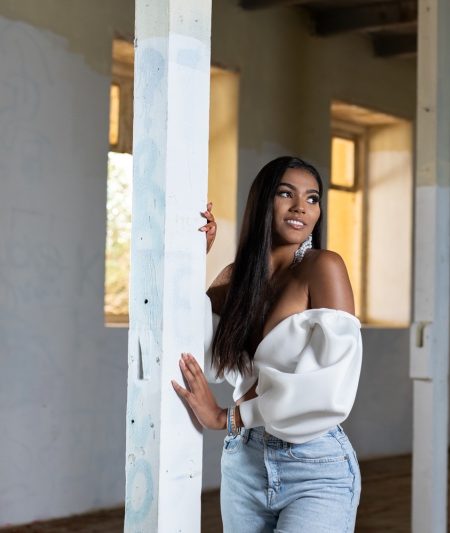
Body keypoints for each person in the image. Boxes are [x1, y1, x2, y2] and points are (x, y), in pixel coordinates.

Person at [171, 156, 362, 532]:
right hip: (244, 461)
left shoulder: (324, 268)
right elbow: (204, 356)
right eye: (285, 194)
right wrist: (196, 259)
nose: (300, 208)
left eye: (312, 198)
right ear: (263, 201)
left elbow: (330, 388)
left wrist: (226, 417)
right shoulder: (235, 278)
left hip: (314, 465)